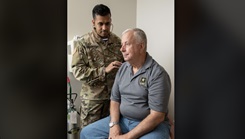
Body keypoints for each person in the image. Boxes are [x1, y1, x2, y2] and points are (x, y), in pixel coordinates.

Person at [80, 28, 172, 139]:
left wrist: (127, 137)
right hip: (123, 120)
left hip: (149, 124)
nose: (122, 49)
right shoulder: (123, 68)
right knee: (86, 133)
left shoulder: (158, 74)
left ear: (141, 46)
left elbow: (157, 116)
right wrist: (114, 124)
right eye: (121, 45)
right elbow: (115, 99)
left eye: (126, 44)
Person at [71, 4, 124, 129]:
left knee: (110, 133)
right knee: (89, 134)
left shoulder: (118, 42)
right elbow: (77, 71)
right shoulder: (83, 43)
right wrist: (103, 71)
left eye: (108, 23)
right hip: (92, 102)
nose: (105, 28)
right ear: (93, 22)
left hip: (113, 101)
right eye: (101, 24)